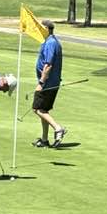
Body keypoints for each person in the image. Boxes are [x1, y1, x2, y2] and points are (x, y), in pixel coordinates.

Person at [32, 19, 67, 148]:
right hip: (51, 82)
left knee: (37, 109)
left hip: (47, 83)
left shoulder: (51, 43)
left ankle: (58, 128)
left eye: (40, 28)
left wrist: (41, 82)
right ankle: (44, 139)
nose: (38, 30)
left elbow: (48, 65)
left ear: (47, 29)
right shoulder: (50, 41)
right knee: (43, 110)